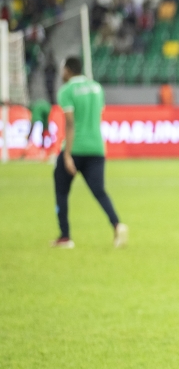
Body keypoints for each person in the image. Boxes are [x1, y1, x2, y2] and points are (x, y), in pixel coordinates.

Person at [53, 58, 128, 249]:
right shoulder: (97, 88)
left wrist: (67, 154)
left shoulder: (67, 91)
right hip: (96, 147)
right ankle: (117, 224)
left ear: (68, 70)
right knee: (99, 191)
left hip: (76, 147)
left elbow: (70, 124)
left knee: (61, 192)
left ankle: (65, 236)